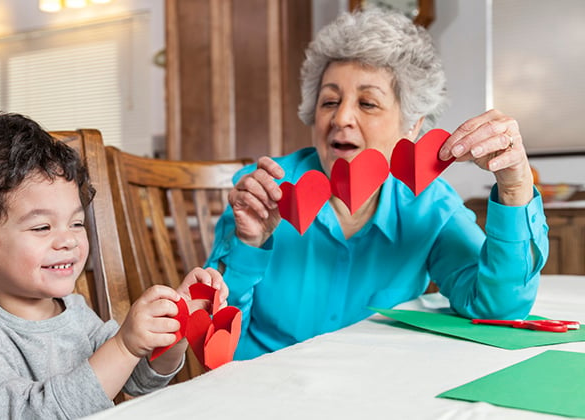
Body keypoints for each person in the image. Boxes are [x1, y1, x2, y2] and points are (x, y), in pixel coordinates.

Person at [205, 8, 548, 360]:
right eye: (330, 101)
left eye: (367, 103)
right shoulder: (266, 193)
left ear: (412, 126)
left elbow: (496, 308)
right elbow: (215, 342)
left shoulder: (430, 206)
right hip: (263, 392)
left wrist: (514, 188)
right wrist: (248, 244)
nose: (341, 118)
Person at [0, 112, 228, 418]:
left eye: (77, 223)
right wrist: (122, 347)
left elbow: (138, 380)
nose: (68, 240)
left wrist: (178, 325)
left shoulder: (74, 312)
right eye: (42, 227)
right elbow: (31, 414)